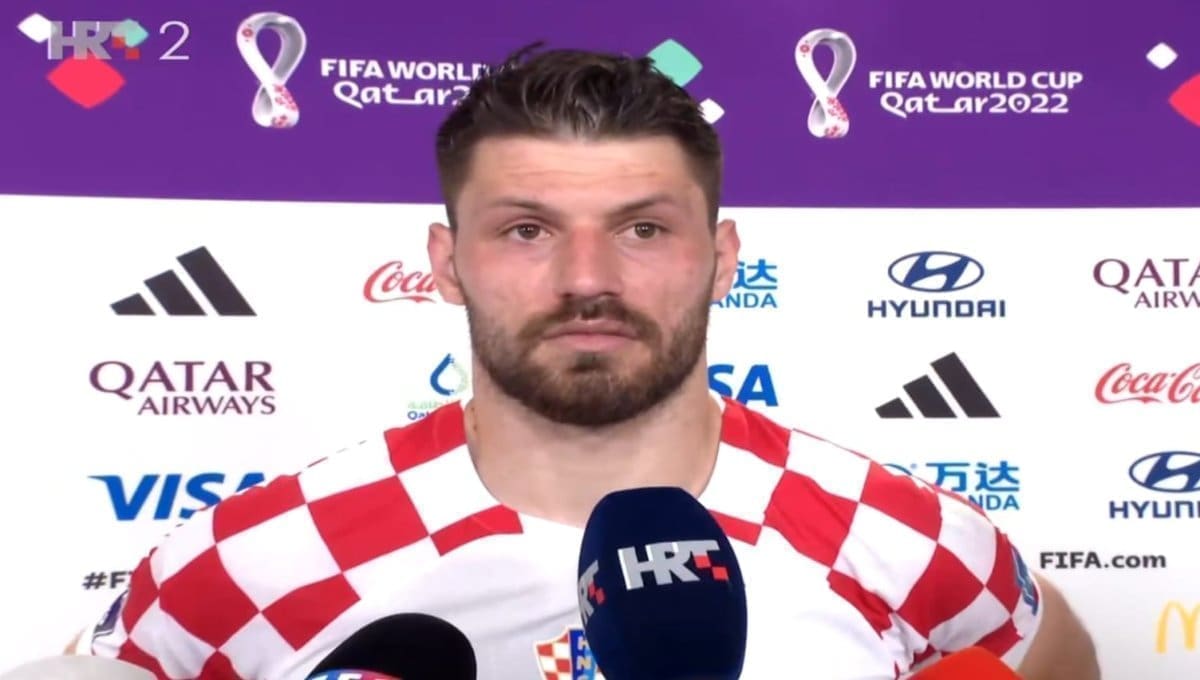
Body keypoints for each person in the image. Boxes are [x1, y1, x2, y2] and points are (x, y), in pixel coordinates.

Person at [66, 43, 1100, 679]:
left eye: (643, 229)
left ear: (722, 259)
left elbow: (1059, 663)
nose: (587, 278)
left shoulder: (905, 535)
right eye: (526, 230)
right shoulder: (248, 560)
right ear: (446, 263)